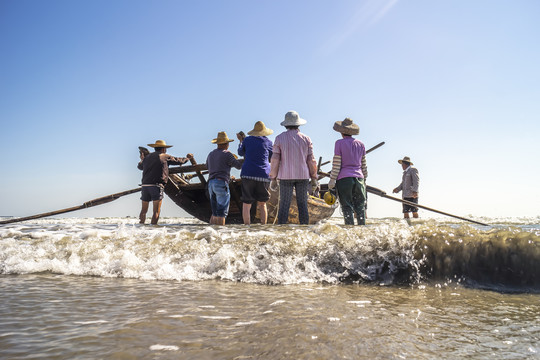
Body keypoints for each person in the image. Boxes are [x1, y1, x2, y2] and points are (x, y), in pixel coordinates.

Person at [269, 110, 318, 224]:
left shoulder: (279, 138)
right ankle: (304, 230)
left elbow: (275, 160)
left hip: (286, 176)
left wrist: (273, 178)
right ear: (298, 124)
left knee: (284, 204)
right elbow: (311, 160)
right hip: (303, 175)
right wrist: (314, 177)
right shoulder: (306, 139)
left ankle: (282, 231)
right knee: (303, 204)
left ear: (286, 124)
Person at [137, 139, 192, 224]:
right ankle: (153, 229)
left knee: (143, 211)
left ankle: (140, 227)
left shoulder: (147, 157)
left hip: (145, 186)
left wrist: (142, 159)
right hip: (156, 186)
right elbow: (179, 161)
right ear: (163, 149)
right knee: (156, 211)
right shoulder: (165, 156)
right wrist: (188, 158)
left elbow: (140, 167)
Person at [327, 118, 368, 225]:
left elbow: (336, 164)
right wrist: (364, 179)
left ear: (341, 132)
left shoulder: (339, 143)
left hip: (344, 179)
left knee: (347, 207)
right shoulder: (361, 144)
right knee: (360, 208)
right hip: (359, 178)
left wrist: (332, 180)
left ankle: (349, 230)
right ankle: (362, 231)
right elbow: (364, 165)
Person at [237, 121, 273, 225]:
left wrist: (240, 142)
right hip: (263, 174)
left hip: (248, 173)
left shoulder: (247, 140)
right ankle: (263, 227)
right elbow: (271, 156)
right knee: (262, 204)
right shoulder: (268, 142)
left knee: (246, 203)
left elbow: (240, 152)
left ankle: (247, 228)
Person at [206, 131, 243, 225]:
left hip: (211, 183)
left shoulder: (210, 154)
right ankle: (220, 234)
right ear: (227, 144)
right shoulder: (227, 154)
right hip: (221, 183)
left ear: (218, 144)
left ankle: (212, 233)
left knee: (215, 212)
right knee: (222, 213)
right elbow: (238, 166)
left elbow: (208, 166)